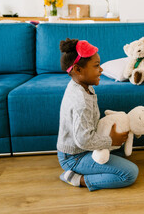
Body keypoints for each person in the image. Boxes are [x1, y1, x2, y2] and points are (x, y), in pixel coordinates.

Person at [57, 38, 138, 191]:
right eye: (96, 66)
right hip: (74, 157)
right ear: (78, 70)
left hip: (81, 150)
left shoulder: (83, 86)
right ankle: (77, 178)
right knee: (129, 173)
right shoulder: (80, 101)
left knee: (120, 152)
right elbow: (83, 139)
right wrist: (109, 140)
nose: (101, 69)